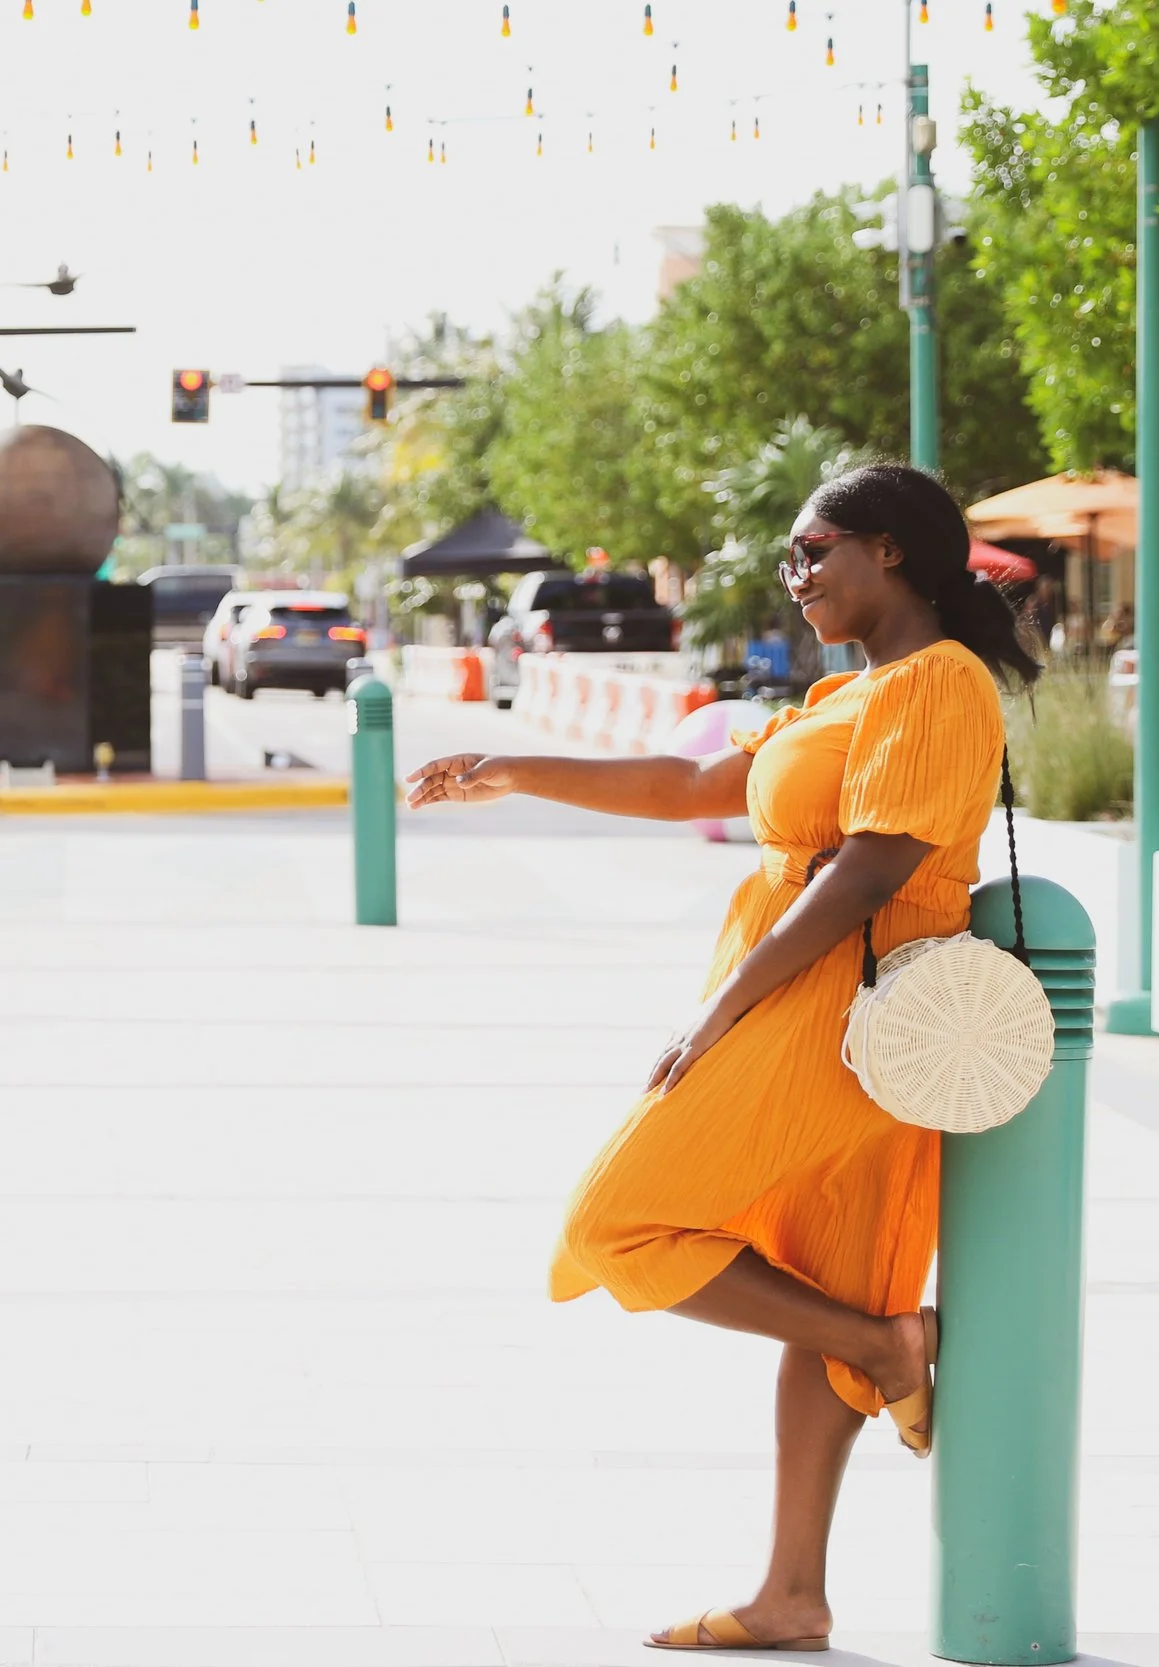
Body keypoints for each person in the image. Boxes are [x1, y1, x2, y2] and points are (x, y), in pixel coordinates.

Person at [407, 464, 1042, 1654]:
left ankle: (887, 1344)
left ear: (891, 551)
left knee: (618, 1221)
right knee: (816, 1279)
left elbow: (872, 866)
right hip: (797, 992)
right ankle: (789, 1592)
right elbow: (697, 781)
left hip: (841, 1010)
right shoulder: (841, 692)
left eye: (810, 552)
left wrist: (723, 1011)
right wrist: (508, 766)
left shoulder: (938, 685)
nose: (792, 578)